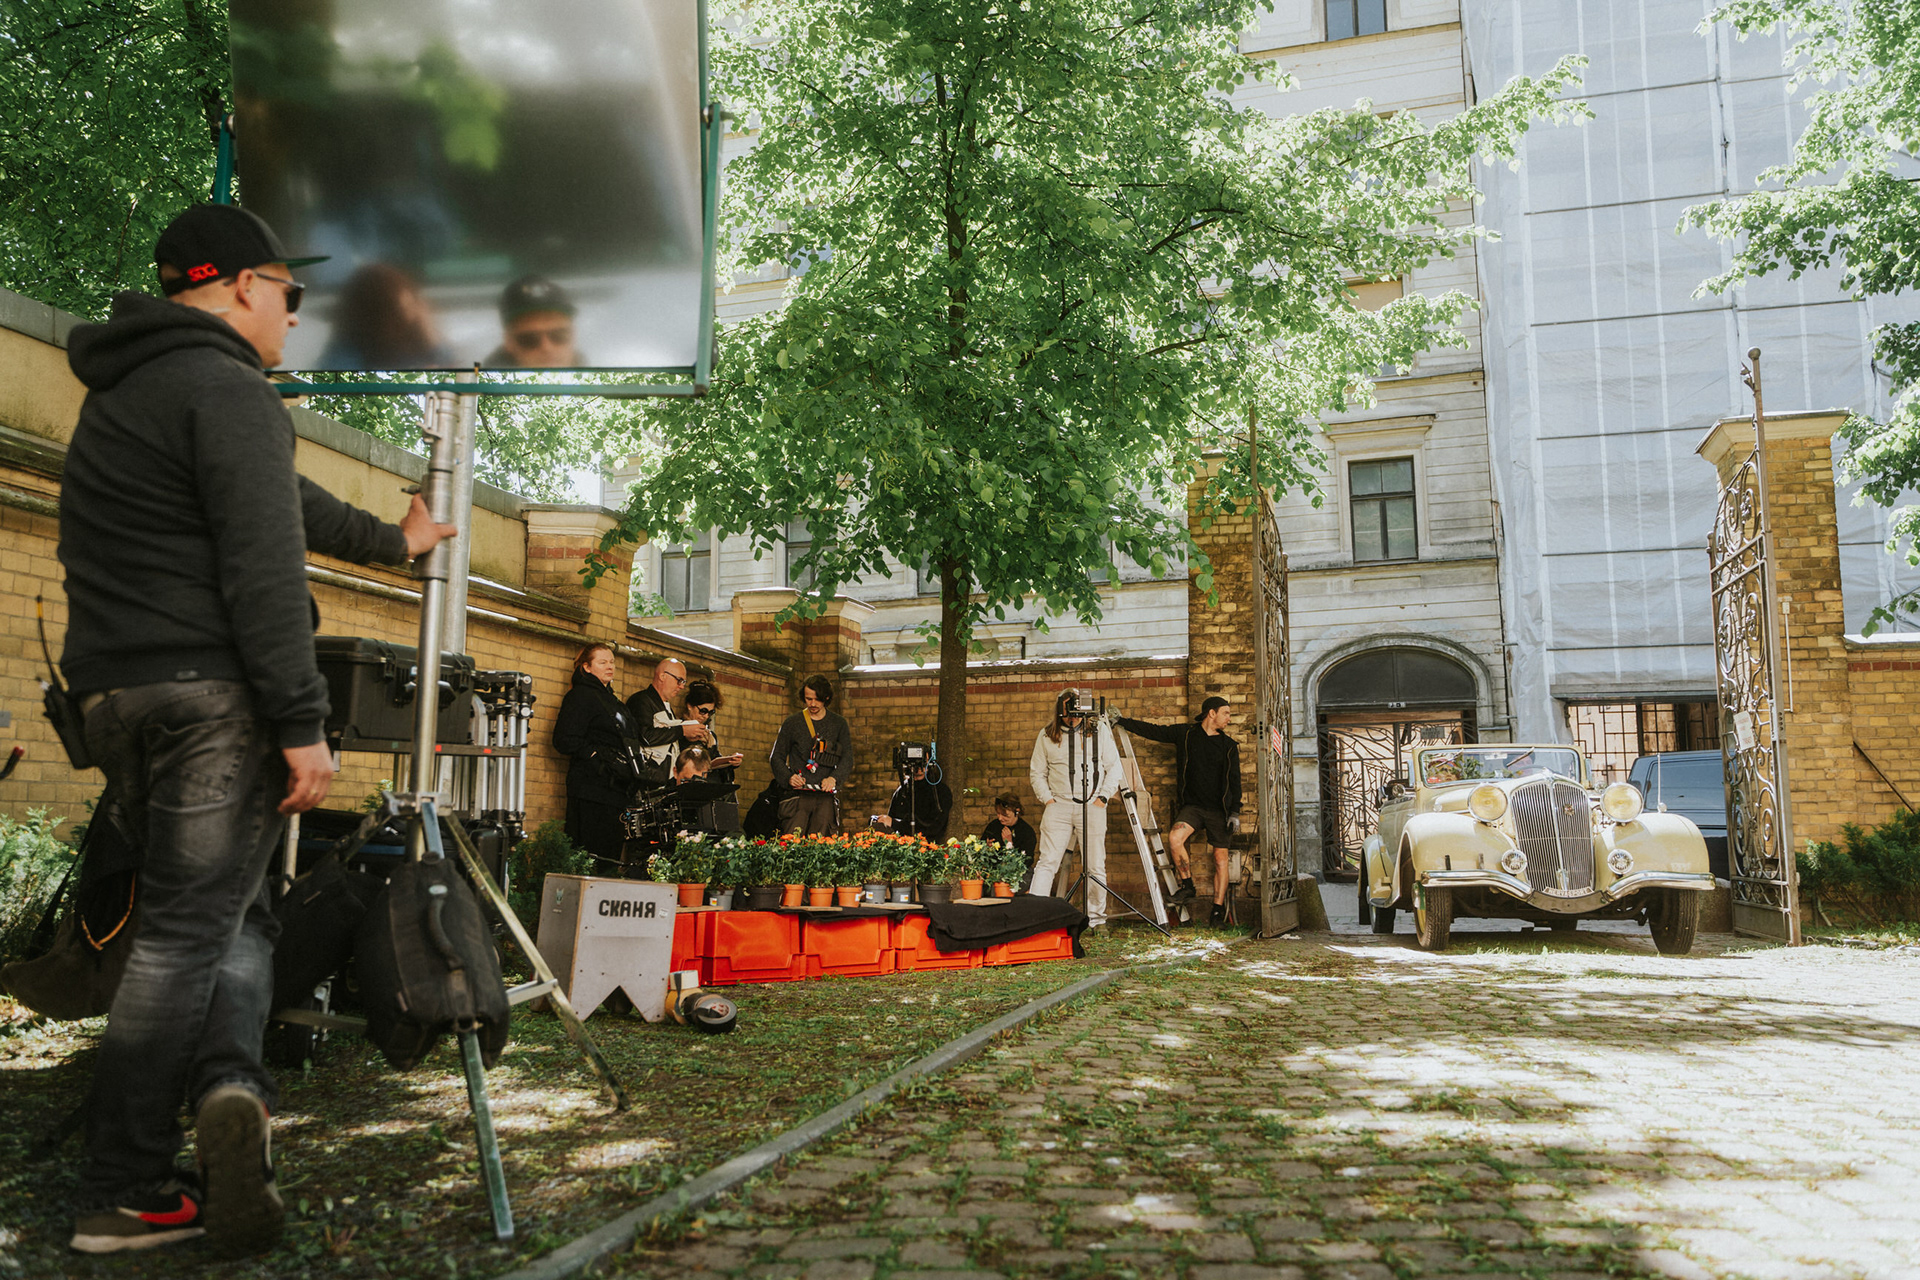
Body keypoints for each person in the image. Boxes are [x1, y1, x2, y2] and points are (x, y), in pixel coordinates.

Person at [56, 202, 458, 1257]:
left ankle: (231, 1091)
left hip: (116, 700)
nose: (295, 314)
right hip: (211, 700)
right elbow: (265, 567)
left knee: (231, 916)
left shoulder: (130, 391)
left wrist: (398, 538)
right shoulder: (229, 389)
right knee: (183, 939)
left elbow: (286, 502)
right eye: (290, 292)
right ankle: (123, 1186)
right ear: (241, 285)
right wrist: (300, 719)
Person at [1117, 696, 1244, 926]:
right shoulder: (1186, 734)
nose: (1229, 718)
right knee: (1175, 838)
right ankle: (1187, 886)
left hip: (1219, 811)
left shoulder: (1228, 746)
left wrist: (1235, 812)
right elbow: (1154, 731)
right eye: (1225, 713)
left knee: (1220, 859)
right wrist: (1122, 721)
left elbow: (1235, 782)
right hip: (1193, 807)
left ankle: (1217, 911)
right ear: (1211, 713)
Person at [552, 643, 648, 876]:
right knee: (589, 858)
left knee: (609, 859)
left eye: (612, 662)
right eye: (602, 662)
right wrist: (595, 757)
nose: (610, 666)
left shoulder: (612, 701)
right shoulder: (580, 696)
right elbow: (563, 738)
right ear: (587, 667)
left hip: (616, 791)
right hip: (591, 790)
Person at [1029, 691, 1122, 925]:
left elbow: (1114, 767)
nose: (1073, 717)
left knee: (1095, 864)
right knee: (1047, 861)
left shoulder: (1098, 731)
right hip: (1058, 804)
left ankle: (1096, 919)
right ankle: (1035, 916)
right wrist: (1048, 799)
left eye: (1077, 710)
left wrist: (1102, 798)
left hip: (1092, 804)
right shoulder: (1047, 735)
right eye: (1068, 711)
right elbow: (1037, 772)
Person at [315, 262, 452, 369]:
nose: (412, 317)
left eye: (412, 307)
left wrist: (430, 338)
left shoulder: (415, 342)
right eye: (401, 312)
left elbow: (451, 373)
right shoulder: (346, 356)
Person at [769, 675, 851, 834]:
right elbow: (776, 757)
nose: (813, 704)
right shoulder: (792, 722)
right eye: (808, 699)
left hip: (825, 797)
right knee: (792, 842)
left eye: (817, 699)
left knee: (822, 843)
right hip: (797, 798)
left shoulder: (838, 723)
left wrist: (834, 779)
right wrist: (788, 777)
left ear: (826, 698)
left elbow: (848, 758)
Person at [624, 658, 709, 789]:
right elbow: (644, 736)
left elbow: (668, 740)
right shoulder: (641, 700)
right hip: (646, 783)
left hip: (663, 781)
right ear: (662, 676)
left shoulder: (666, 708)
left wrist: (688, 737)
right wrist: (682, 730)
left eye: (683, 682)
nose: (681, 686)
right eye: (679, 680)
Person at [484, 274, 581, 368]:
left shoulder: (590, 375)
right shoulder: (479, 378)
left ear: (573, 336)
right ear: (509, 344)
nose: (547, 348)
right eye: (529, 340)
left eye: (559, 336)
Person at [681, 680, 744, 785]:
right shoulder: (679, 730)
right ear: (690, 706)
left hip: (711, 785)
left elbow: (715, 759)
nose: (706, 716)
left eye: (711, 712)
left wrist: (731, 762)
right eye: (703, 711)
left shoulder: (710, 736)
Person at [880, 762, 953, 842]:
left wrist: (895, 824)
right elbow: (891, 825)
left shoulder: (940, 791)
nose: (919, 766)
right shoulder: (902, 791)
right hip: (902, 846)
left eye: (923, 761)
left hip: (929, 846)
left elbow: (934, 828)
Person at [981, 793, 1038, 888]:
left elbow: (1026, 861)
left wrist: (1009, 843)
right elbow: (981, 849)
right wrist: (986, 847)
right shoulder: (993, 826)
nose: (1000, 818)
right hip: (994, 872)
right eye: (998, 814)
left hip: (1018, 874)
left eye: (1005, 815)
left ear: (1017, 811)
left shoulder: (1026, 831)